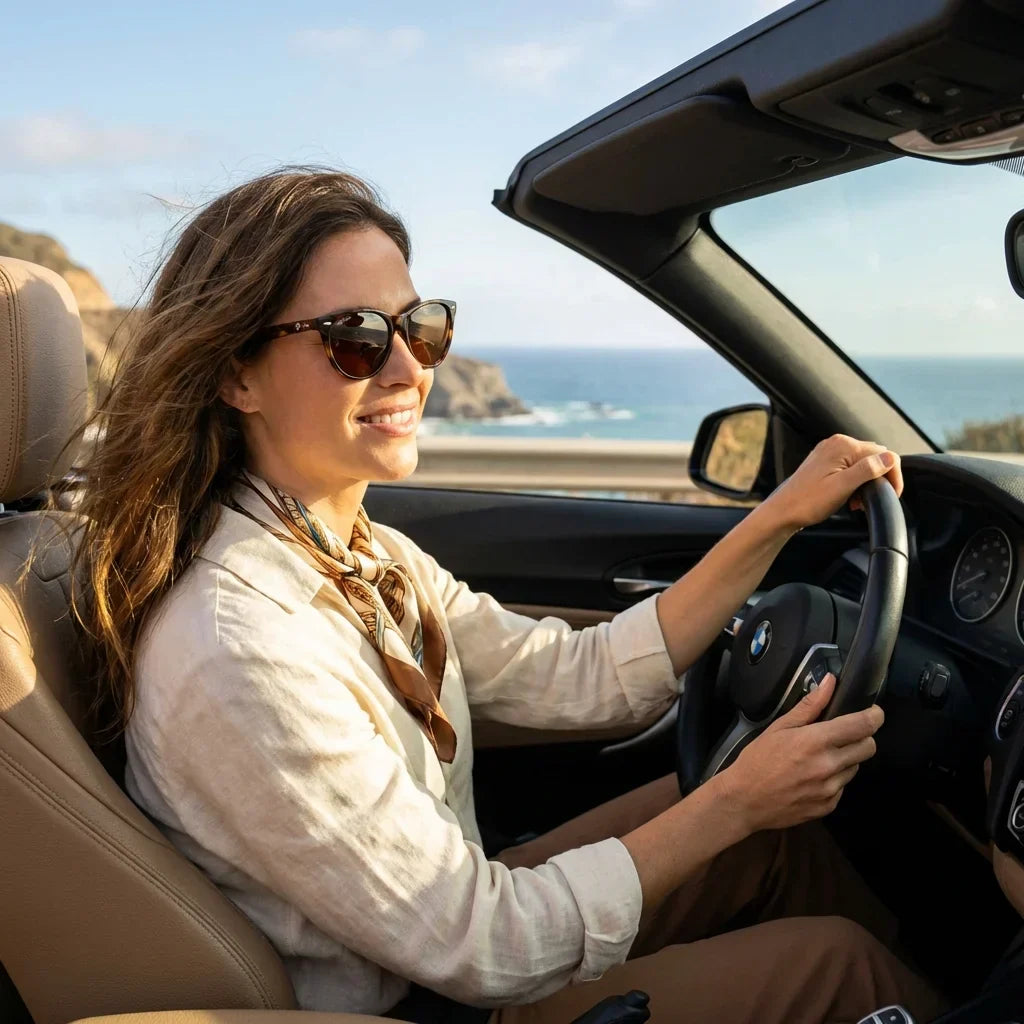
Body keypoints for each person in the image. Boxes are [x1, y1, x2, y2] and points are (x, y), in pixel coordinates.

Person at [65, 167, 946, 1024]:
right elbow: (488, 946)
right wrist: (737, 797)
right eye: (356, 339)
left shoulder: (359, 554)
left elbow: (579, 673)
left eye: (423, 327)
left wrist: (776, 521)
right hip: (428, 997)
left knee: (774, 837)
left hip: (443, 932)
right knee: (843, 966)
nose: (408, 369)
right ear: (236, 376)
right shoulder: (242, 645)